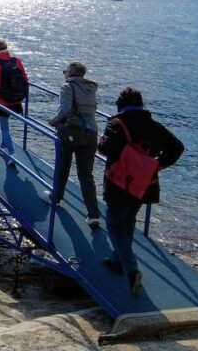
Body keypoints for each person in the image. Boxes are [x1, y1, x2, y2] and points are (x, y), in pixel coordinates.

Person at [98, 86, 184, 295]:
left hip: (119, 185)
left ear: (121, 104)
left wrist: (102, 137)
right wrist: (158, 164)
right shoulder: (154, 126)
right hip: (143, 185)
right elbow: (177, 147)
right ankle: (117, 261)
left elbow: (104, 149)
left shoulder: (117, 124)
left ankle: (132, 270)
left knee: (114, 226)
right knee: (128, 222)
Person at [45, 61, 101, 227]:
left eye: (65, 71)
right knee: (86, 174)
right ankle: (93, 214)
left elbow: (65, 110)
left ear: (70, 73)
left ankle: (56, 198)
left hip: (72, 132)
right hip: (91, 134)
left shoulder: (67, 87)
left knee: (63, 167)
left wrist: (53, 121)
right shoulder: (91, 88)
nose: (64, 74)